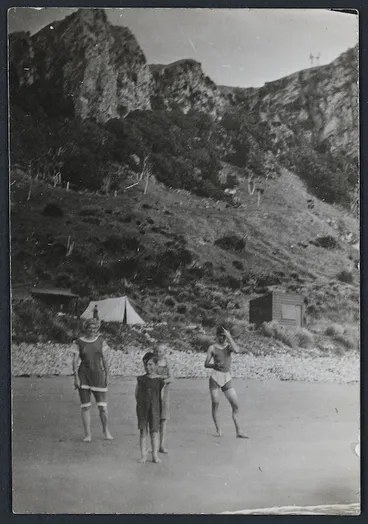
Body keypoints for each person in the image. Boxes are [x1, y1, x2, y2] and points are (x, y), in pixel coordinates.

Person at [72, 319, 113, 442]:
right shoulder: (78, 342)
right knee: (85, 406)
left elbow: (105, 360)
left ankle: (106, 431)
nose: (92, 330)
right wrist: (76, 378)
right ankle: (87, 434)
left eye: (94, 328)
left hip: (98, 375)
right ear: (85, 328)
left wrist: (108, 375)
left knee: (102, 407)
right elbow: (74, 361)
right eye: (90, 327)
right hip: (83, 375)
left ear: (97, 329)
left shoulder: (101, 341)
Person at [205, 326, 248, 438]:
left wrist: (229, 336)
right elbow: (206, 364)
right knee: (215, 403)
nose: (223, 339)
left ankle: (239, 431)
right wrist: (214, 365)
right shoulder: (212, 348)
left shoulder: (229, 347)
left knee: (235, 405)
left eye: (224, 337)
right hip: (215, 377)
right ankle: (218, 430)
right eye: (221, 336)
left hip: (226, 377)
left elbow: (237, 350)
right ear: (216, 336)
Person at [135, 352, 165, 464]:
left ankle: (155, 456)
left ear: (156, 365)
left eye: (150, 364)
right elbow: (136, 393)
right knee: (143, 431)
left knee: (154, 432)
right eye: (146, 365)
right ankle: (143, 456)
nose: (148, 367)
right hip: (142, 408)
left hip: (155, 409)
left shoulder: (160, 380)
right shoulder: (141, 379)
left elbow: (161, 396)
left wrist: (158, 408)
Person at [154, 344, 173, 453]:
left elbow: (171, 378)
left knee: (163, 420)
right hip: (154, 394)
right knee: (154, 420)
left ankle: (161, 444)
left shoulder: (167, 363)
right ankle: (154, 444)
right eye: (156, 351)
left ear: (165, 352)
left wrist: (163, 380)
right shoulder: (152, 363)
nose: (158, 354)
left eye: (160, 351)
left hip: (164, 393)